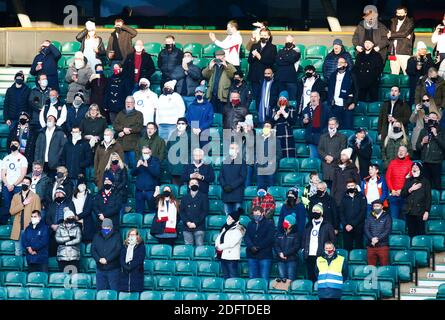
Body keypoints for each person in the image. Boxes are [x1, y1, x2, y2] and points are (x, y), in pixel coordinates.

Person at [301, 203, 336, 282]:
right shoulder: (308, 225)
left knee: (320, 275)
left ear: (321, 212)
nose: (315, 212)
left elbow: (333, 239)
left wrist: (327, 251)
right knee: (310, 276)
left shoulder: (327, 225)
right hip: (309, 254)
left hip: (321, 255)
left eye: (317, 210)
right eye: (313, 210)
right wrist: (303, 249)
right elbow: (304, 238)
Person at [9, 176, 41, 255]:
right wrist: (23, 204)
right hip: (18, 228)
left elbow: (37, 215)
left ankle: (28, 267)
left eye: (27, 183)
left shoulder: (35, 197)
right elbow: (11, 211)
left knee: (29, 252)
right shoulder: (15, 196)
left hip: (29, 228)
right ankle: (19, 267)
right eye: (23, 182)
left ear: (30, 185)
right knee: (18, 251)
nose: (25, 184)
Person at [1, 139, 29, 224]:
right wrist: (7, 184)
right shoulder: (6, 158)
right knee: (6, 205)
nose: (13, 145)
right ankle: (6, 223)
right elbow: (3, 173)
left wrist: (13, 184)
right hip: (7, 186)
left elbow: (23, 174)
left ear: (19, 146)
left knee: (18, 205)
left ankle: (17, 223)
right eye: (12, 144)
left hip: (18, 186)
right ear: (10, 146)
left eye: (16, 144)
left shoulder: (23, 158)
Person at [401, 162, 432, 237]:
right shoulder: (408, 180)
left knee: (420, 232)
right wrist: (410, 189)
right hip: (409, 211)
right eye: (413, 167)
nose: (414, 169)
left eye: (416, 167)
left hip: (420, 212)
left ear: (420, 170)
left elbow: (428, 197)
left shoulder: (425, 181)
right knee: (411, 232)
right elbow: (402, 194)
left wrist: (427, 211)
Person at [327, 57, 358, 130]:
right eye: (338, 62)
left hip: (347, 105)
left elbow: (356, 90)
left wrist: (354, 103)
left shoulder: (351, 75)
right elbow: (330, 90)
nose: (339, 64)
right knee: (335, 129)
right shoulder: (333, 75)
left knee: (347, 128)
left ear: (346, 64)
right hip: (335, 106)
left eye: (342, 62)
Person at [416, 112, 445, 190]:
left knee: (436, 185)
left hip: (436, 162)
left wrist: (436, 135)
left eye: (433, 118)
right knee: (425, 185)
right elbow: (417, 147)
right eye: (430, 118)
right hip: (425, 162)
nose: (431, 119)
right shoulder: (423, 131)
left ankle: (437, 200)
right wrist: (422, 142)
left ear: (437, 120)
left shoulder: (442, 131)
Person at [113, 96, 144, 169]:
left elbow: (139, 127)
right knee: (123, 167)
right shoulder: (120, 113)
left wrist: (128, 131)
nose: (128, 104)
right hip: (121, 145)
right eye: (127, 102)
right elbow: (115, 125)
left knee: (134, 166)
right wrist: (123, 129)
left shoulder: (139, 114)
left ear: (134, 104)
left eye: (130, 102)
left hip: (133, 145)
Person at [245, 206, 275, 280]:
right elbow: (246, 237)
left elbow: (269, 238)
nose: (256, 216)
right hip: (251, 255)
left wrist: (258, 247)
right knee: (252, 278)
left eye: (258, 214)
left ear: (262, 213)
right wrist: (251, 246)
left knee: (264, 278)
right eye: (254, 214)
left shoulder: (269, 223)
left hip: (265, 255)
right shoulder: (250, 224)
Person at [92, 218, 122, 291]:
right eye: (104, 227)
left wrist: (107, 259)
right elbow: (93, 250)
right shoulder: (97, 236)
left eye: (107, 227)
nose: (105, 229)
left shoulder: (117, 236)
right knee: (100, 292)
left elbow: (118, 250)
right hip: (100, 269)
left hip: (113, 269)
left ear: (111, 227)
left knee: (114, 291)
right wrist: (99, 259)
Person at [202, 50, 237, 114]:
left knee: (222, 114)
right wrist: (209, 67)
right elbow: (205, 75)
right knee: (212, 113)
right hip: (212, 94)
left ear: (224, 56)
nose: (219, 57)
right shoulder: (212, 65)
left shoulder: (229, 65)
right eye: (217, 56)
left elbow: (233, 75)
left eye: (221, 55)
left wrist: (226, 66)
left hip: (223, 95)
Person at [215, 208, 246, 279]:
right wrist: (217, 245)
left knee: (233, 275)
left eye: (230, 218)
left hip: (231, 256)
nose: (228, 219)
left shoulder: (239, 229)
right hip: (223, 255)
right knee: (225, 275)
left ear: (234, 219)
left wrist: (220, 247)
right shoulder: (225, 227)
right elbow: (219, 237)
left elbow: (232, 243)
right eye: (228, 217)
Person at [45, 187, 76, 257]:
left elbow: (72, 217)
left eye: (60, 193)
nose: (58, 194)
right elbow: (47, 218)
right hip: (53, 232)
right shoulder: (51, 205)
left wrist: (61, 226)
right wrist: (52, 225)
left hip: (65, 232)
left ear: (64, 194)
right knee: (52, 253)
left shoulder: (69, 203)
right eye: (56, 193)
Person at [247, 28, 277, 99]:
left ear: (269, 36)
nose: (263, 37)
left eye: (265, 35)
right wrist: (253, 56)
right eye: (262, 35)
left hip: (265, 76)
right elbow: (249, 60)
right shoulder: (254, 46)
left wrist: (259, 57)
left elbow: (271, 62)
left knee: (263, 97)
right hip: (254, 76)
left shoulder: (272, 47)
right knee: (255, 96)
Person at [318, 118, 347, 188]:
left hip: (336, 165)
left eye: (333, 124)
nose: (331, 126)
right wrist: (326, 156)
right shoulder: (323, 137)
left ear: (337, 125)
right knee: (325, 186)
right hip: (326, 165)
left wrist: (332, 158)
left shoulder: (342, 137)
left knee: (336, 186)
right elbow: (319, 149)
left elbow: (342, 149)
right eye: (329, 124)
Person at [386, 146, 413, 219]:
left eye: (403, 151)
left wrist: (402, 190)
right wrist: (392, 190)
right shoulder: (392, 163)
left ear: (407, 153)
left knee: (405, 219)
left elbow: (411, 180)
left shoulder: (410, 164)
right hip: (394, 195)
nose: (400, 152)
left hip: (405, 196)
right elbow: (388, 178)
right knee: (394, 219)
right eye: (399, 150)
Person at [339, 180, 367, 251]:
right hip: (346, 227)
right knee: (347, 247)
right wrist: (346, 225)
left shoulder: (362, 196)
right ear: (346, 187)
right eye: (349, 186)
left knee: (359, 246)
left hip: (358, 226)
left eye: (352, 186)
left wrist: (352, 224)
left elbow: (363, 212)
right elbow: (341, 212)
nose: (350, 187)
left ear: (355, 186)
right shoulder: (343, 197)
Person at [179, 178, 209, 246]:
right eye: (192, 183)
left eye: (196, 183)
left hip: (199, 226)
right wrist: (187, 222)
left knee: (199, 247)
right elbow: (182, 212)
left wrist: (195, 223)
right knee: (188, 248)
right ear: (189, 186)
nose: (194, 185)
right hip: (187, 226)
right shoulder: (184, 197)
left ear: (198, 185)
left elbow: (205, 211)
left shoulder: (204, 197)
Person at [220, 143, 246, 216]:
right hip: (226, 194)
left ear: (237, 150)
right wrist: (224, 185)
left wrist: (231, 186)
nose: (231, 150)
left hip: (237, 194)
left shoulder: (242, 162)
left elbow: (242, 177)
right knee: (227, 218)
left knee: (237, 218)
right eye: (230, 148)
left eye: (233, 148)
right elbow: (220, 176)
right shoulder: (224, 162)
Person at [302, 92, 331, 158]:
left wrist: (324, 133)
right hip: (311, 139)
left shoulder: (325, 109)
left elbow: (330, 122)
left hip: (322, 138)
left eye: (315, 96)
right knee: (314, 159)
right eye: (311, 96)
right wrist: (303, 121)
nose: (313, 98)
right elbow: (302, 122)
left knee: (323, 160)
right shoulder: (306, 109)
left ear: (319, 97)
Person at [132, 145, 160, 214]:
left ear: (150, 153)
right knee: (139, 212)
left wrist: (147, 167)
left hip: (150, 191)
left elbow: (157, 174)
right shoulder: (139, 161)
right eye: (143, 153)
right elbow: (132, 173)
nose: (145, 154)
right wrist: (137, 167)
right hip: (139, 191)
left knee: (152, 212)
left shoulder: (155, 161)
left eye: (147, 153)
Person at [387, 6, 414, 75]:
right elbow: (402, 35)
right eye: (398, 13)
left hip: (404, 51)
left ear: (405, 13)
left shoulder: (410, 22)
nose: (399, 15)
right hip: (393, 51)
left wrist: (392, 35)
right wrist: (402, 36)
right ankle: (395, 86)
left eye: (401, 13)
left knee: (407, 73)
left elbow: (405, 33)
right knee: (394, 74)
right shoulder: (393, 21)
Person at [406, 41, 435, 106]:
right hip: (415, 84)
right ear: (418, 50)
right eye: (422, 49)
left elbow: (432, 70)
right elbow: (409, 71)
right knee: (414, 101)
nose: (424, 50)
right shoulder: (412, 59)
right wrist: (416, 68)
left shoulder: (428, 60)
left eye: (425, 49)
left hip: (426, 84)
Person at [255, 120, 282, 190]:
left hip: (270, 165)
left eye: (268, 126)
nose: (266, 128)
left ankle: (270, 200)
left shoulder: (276, 140)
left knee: (270, 187)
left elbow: (279, 154)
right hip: (260, 165)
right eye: (265, 126)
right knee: (260, 186)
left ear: (271, 129)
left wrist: (272, 161)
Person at [365, 199, 392, 266]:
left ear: (382, 206)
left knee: (384, 266)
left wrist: (377, 239)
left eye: (378, 206)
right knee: (371, 267)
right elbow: (366, 229)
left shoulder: (387, 217)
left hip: (383, 245)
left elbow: (387, 230)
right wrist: (372, 239)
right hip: (371, 245)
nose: (376, 208)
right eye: (374, 206)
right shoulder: (369, 216)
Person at [274, 214, 301, 282]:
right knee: (282, 279)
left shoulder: (296, 234)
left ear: (291, 224)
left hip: (291, 260)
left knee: (290, 279)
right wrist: (280, 253)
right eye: (284, 221)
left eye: (287, 222)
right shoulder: (279, 233)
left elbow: (296, 247)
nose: (284, 223)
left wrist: (285, 254)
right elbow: (276, 245)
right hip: (280, 260)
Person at [166, 118, 192, 186]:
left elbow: (193, 152)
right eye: (179, 123)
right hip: (173, 168)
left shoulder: (190, 136)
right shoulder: (172, 136)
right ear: (176, 125)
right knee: (175, 190)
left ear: (186, 125)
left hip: (185, 168)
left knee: (184, 190)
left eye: (183, 123)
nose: (180, 125)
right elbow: (168, 150)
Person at [275, 35, 301, 100]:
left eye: (290, 41)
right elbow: (278, 61)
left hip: (291, 79)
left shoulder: (297, 50)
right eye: (287, 41)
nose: (288, 43)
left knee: (292, 99)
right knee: (281, 99)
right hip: (281, 79)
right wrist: (287, 59)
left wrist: (283, 57)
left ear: (293, 42)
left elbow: (292, 59)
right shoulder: (280, 50)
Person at [119, 228, 145, 293]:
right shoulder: (124, 246)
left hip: (136, 272)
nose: (131, 236)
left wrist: (131, 266)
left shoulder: (141, 246)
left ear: (137, 236)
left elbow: (140, 259)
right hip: (125, 273)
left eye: (133, 235)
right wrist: (125, 266)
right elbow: (121, 258)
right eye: (130, 235)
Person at [272, 91, 296, 158]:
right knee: (278, 153)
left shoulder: (291, 108)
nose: (282, 100)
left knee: (288, 155)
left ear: (287, 100)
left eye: (284, 98)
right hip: (277, 133)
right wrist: (277, 115)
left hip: (287, 134)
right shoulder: (275, 109)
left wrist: (285, 114)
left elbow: (293, 122)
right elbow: (271, 123)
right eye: (280, 98)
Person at [72, 179, 95, 243]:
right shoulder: (73, 196)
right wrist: (74, 216)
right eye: (80, 184)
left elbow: (88, 209)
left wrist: (78, 216)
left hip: (86, 220)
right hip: (74, 220)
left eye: (83, 184)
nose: (82, 186)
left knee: (86, 240)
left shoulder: (89, 196)